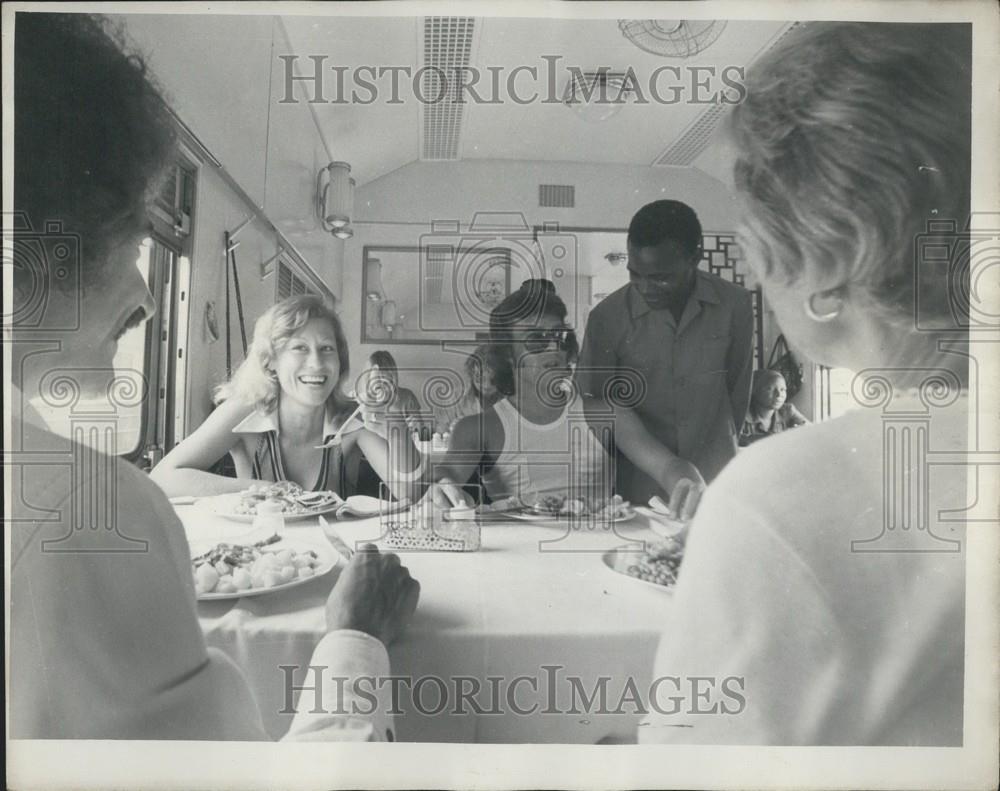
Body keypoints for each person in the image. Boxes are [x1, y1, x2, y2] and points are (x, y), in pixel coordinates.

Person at [9, 12, 417, 741]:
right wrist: (354, 637)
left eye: (329, 353)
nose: (144, 293)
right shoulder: (90, 509)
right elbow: (168, 474)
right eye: (139, 231)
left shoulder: (352, 422)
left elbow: (410, 485)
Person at [639, 22, 970, 745]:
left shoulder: (776, 505)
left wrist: (753, 539)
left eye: (755, 242)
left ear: (824, 269)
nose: (753, 275)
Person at [151, 296, 421, 499]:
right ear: (271, 362)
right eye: (299, 348)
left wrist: (395, 424)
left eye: (327, 349)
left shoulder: (349, 415)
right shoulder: (245, 411)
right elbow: (164, 478)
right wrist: (264, 489)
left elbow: (410, 491)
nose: (316, 363)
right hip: (262, 562)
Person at [576, 200, 755, 506]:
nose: (645, 288)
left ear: (695, 256)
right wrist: (663, 466)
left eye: (661, 277)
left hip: (716, 475)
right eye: (635, 274)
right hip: (640, 483)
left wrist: (718, 453)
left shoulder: (734, 305)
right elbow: (598, 405)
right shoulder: (606, 318)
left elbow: (737, 392)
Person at [432, 279, 611, 509]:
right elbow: (446, 474)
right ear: (507, 354)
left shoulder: (606, 413)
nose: (553, 348)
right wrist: (441, 486)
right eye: (536, 340)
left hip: (598, 543)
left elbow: (665, 467)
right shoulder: (477, 428)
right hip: (517, 543)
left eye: (559, 336)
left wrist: (674, 476)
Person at [738, 368, 809, 446]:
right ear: (754, 391)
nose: (779, 395)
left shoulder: (788, 410)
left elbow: (809, 429)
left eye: (782, 389)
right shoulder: (741, 415)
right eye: (770, 389)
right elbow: (735, 441)